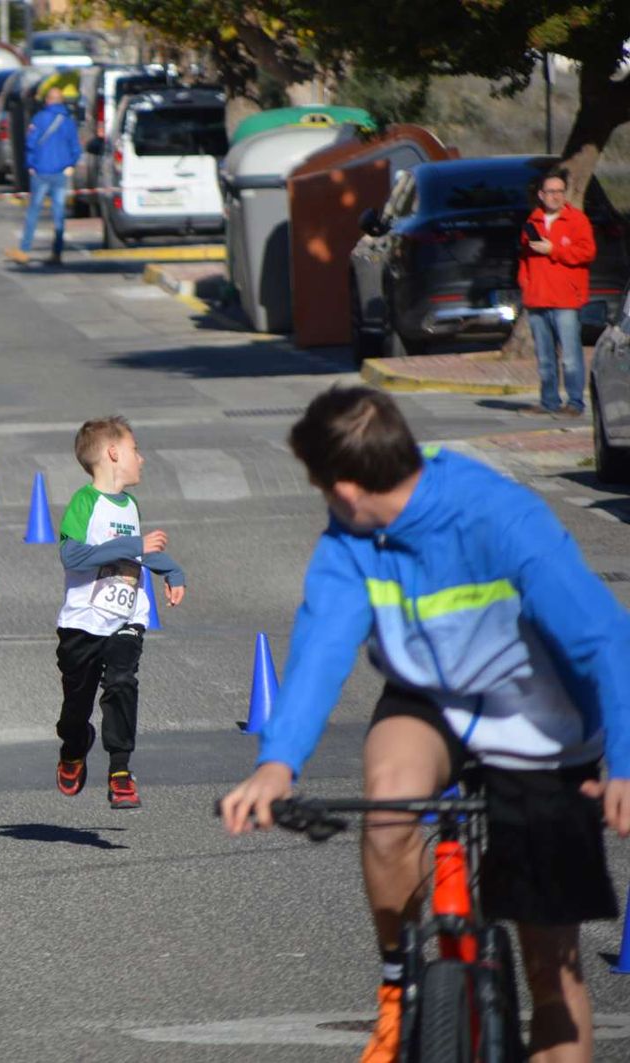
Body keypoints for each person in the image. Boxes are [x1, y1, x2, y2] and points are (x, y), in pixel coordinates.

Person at [218, 386, 630, 1063]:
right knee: (389, 807)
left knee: (549, 969)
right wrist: (277, 762)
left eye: (322, 488)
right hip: (433, 697)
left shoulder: (498, 515)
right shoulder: (351, 539)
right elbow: (322, 645)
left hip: (541, 719)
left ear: (347, 488)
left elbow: (606, 637)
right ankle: (399, 987)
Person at [53, 417, 186, 808]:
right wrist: (132, 544)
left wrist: (172, 571)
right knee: (75, 712)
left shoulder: (131, 505)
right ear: (113, 453)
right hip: (82, 623)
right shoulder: (85, 502)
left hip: (127, 617)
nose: (142, 459)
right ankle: (74, 748)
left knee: (122, 682)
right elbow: (71, 555)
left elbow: (139, 551)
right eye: (135, 449)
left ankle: (120, 770)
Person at [519, 169, 595, 418]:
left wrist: (554, 250)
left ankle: (575, 402)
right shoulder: (533, 221)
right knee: (544, 357)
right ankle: (548, 400)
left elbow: (587, 253)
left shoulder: (577, 220)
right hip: (537, 297)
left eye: (560, 191)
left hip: (565, 299)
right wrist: (526, 284)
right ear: (541, 195)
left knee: (571, 356)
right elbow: (525, 259)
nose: (556, 196)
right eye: (551, 192)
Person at [6, 86, 83, 267]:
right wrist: (70, 164)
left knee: (34, 212)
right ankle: (57, 253)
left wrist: (31, 165)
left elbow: (31, 143)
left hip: (41, 172)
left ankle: (24, 250)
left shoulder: (39, 119)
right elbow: (76, 147)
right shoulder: (68, 121)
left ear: (48, 100)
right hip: (61, 173)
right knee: (58, 214)